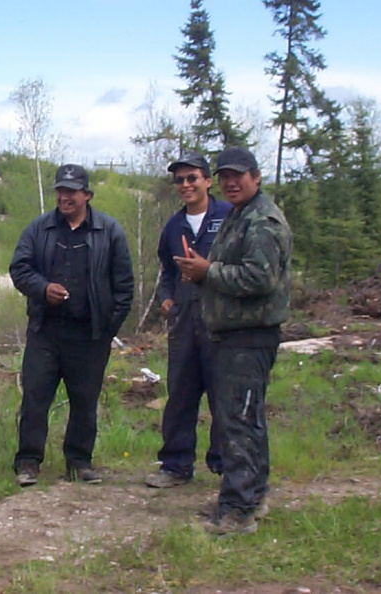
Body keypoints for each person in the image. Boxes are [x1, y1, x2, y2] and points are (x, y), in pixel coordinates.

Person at [174, 146, 292, 535]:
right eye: (224, 176)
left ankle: (238, 511)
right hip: (232, 335)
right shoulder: (241, 216)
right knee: (244, 420)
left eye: (237, 175)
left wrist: (208, 272)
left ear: (256, 177)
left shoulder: (263, 221)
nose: (230, 182)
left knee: (239, 423)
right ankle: (250, 497)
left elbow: (260, 279)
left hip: (249, 337)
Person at [9, 164, 134, 487]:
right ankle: (28, 462)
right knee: (35, 398)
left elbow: (124, 286)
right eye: (60, 191)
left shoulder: (110, 231)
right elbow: (19, 269)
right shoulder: (39, 229)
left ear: (87, 195)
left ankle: (79, 462)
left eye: (72, 191)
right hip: (45, 332)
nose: (64, 197)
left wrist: (108, 329)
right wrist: (42, 289)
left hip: (90, 334)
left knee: (84, 401)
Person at [145, 153, 232, 489]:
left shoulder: (227, 216)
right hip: (183, 321)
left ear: (208, 181)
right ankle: (176, 465)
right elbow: (167, 269)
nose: (186, 185)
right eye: (179, 180)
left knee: (223, 392)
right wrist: (166, 299)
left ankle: (225, 464)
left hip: (221, 319)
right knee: (180, 393)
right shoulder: (174, 226)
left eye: (192, 178)